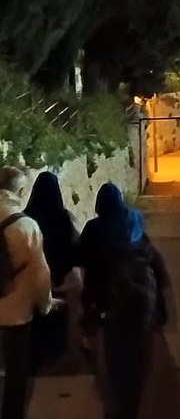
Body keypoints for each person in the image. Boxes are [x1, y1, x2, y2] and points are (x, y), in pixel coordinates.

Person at [78, 183, 170, 419]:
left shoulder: (94, 229)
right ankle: (133, 401)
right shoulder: (136, 222)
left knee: (115, 355)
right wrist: (161, 307)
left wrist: (88, 308)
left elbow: (84, 262)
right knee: (138, 353)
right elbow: (155, 264)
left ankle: (120, 405)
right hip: (142, 304)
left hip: (110, 304)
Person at [0, 166, 56, 419]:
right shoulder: (26, 226)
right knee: (15, 373)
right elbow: (40, 276)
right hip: (15, 314)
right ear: (20, 191)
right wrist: (46, 305)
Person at [24, 173, 79, 373]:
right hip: (58, 282)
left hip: (33, 282)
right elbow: (74, 250)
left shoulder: (27, 218)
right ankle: (53, 360)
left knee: (36, 324)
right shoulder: (63, 219)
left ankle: (35, 362)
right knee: (56, 323)